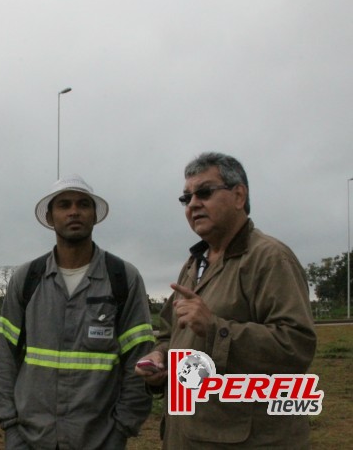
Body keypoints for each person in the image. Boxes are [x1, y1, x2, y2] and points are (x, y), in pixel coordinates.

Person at [136, 152, 317, 449]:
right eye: (186, 198)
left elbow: (297, 346)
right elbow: (171, 333)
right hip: (187, 434)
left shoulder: (269, 258)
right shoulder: (194, 264)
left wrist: (215, 327)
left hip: (246, 440)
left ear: (238, 195)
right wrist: (160, 360)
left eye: (204, 192)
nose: (193, 203)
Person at [0, 174, 155, 450]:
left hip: (99, 440)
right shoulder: (27, 278)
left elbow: (138, 361)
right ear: (50, 216)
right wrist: (10, 427)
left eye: (83, 204)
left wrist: (121, 429)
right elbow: (6, 358)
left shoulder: (123, 277)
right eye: (64, 205)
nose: (74, 211)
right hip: (30, 439)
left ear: (95, 215)